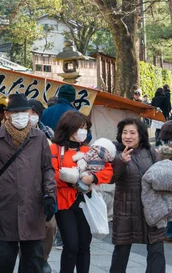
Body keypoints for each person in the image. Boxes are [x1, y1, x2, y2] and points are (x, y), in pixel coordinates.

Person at [0, 94, 57, 273]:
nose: (21, 115)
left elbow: (47, 169)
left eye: (24, 111)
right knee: (3, 256)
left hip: (33, 204)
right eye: (16, 112)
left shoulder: (39, 138)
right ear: (7, 114)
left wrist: (50, 194)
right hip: (4, 205)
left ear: (31, 112)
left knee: (33, 258)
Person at [51, 111, 113, 273]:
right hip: (64, 202)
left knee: (84, 246)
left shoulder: (89, 150)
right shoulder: (55, 148)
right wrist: (75, 177)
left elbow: (107, 171)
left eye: (85, 128)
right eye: (80, 127)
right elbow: (52, 174)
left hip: (86, 202)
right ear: (69, 128)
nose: (83, 131)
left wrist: (93, 177)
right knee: (71, 245)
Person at [109, 118, 165, 273]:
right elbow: (110, 179)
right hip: (126, 209)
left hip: (150, 208)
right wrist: (121, 161)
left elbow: (160, 173)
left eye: (132, 133)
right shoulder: (115, 152)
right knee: (121, 250)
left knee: (156, 249)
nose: (128, 136)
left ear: (140, 135)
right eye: (124, 132)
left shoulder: (150, 151)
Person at [28, 99, 56, 273]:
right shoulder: (12, 133)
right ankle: (27, 260)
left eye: (34, 114)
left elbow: (50, 166)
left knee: (50, 226)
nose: (30, 117)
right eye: (28, 113)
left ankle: (43, 258)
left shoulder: (48, 134)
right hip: (21, 187)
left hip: (43, 187)